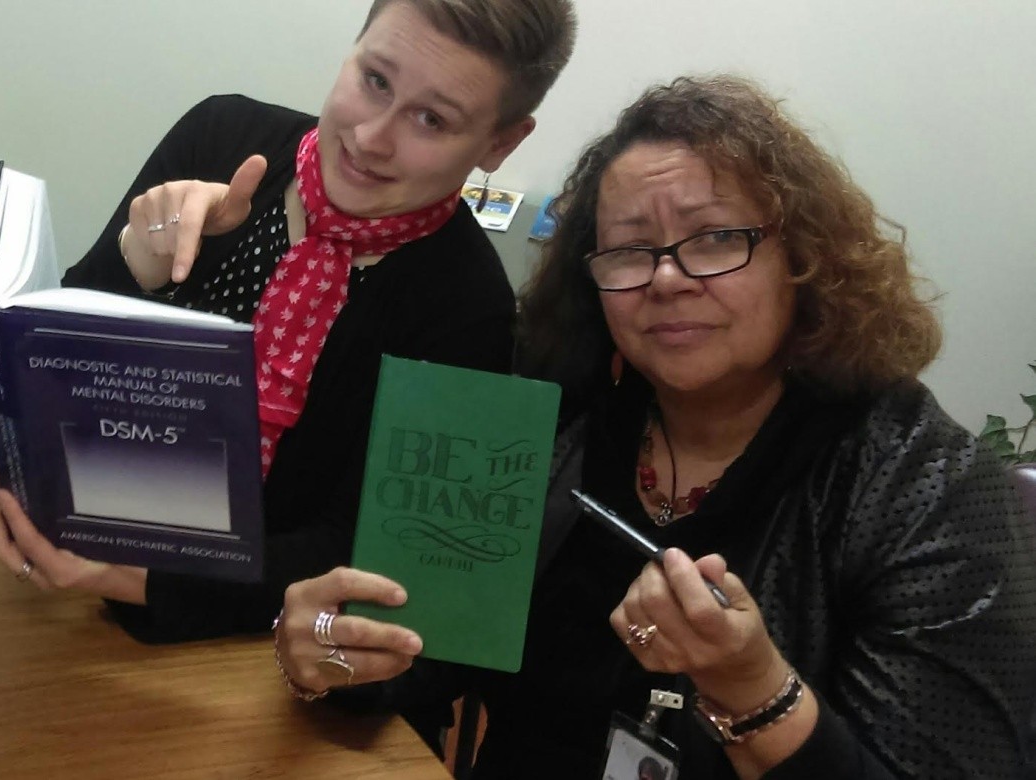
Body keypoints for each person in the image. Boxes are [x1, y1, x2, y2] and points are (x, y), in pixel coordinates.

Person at [274, 75, 1036, 778]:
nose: (667, 279)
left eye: (713, 239)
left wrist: (754, 693)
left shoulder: (923, 485)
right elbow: (432, 661)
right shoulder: (557, 423)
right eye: (631, 250)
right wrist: (337, 653)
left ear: (803, 256)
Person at [0, 0, 577, 642]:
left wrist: (128, 578)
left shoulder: (470, 309)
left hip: (268, 648)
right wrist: (138, 264)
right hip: (64, 584)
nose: (372, 138)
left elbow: (372, 556)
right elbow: (55, 362)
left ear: (500, 142)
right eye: (375, 80)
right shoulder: (221, 139)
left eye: (431, 119)